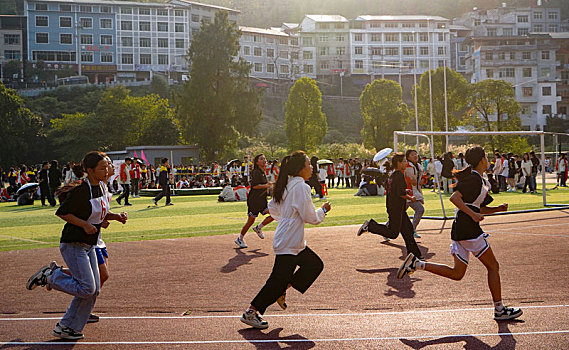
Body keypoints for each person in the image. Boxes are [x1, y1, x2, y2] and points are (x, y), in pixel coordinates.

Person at [397, 146, 523, 321]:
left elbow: (478, 208)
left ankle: (417, 264)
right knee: (493, 266)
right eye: (486, 158)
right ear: (482, 161)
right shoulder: (474, 179)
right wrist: (473, 215)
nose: (488, 161)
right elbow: (455, 198)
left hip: (462, 228)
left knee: (457, 274)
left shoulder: (480, 181)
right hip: (468, 229)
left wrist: (497, 209)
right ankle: (500, 309)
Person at [26, 151, 128, 339]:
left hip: (89, 245)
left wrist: (116, 217)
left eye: (107, 167)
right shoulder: (83, 189)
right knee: (87, 288)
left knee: (94, 289)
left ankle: (67, 327)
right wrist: (84, 224)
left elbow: (100, 212)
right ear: (89, 170)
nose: (107, 171)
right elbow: (63, 212)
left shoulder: (103, 188)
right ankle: (51, 276)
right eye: (102, 168)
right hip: (73, 244)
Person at [240, 151, 331, 329]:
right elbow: (311, 217)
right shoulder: (301, 187)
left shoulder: (287, 184)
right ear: (300, 168)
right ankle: (251, 312)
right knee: (276, 280)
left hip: (291, 240)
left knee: (314, 265)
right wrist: (323, 210)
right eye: (309, 164)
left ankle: (282, 290)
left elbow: (273, 209)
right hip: (289, 241)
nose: (311, 167)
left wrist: (288, 218)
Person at [357, 153, 423, 260]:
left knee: (408, 231)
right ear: (399, 163)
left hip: (396, 207)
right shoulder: (399, 175)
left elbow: (395, 190)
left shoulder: (393, 175)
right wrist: (411, 198)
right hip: (396, 208)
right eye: (405, 161)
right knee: (393, 233)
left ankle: (415, 255)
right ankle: (370, 226)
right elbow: (400, 193)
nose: (406, 163)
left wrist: (405, 191)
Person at [235, 154, 275, 248]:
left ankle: (258, 227)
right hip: (254, 200)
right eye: (261, 159)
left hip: (262, 199)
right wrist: (267, 185)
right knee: (250, 221)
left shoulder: (262, 171)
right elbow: (255, 186)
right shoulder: (256, 172)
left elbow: (264, 186)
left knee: (274, 213)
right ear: (257, 162)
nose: (264, 160)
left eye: (264, 158)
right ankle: (240, 239)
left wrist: (269, 187)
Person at [404, 150, 424, 239]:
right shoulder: (406, 165)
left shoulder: (419, 166)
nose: (415, 156)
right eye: (412, 155)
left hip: (415, 191)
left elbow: (422, 176)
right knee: (420, 209)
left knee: (399, 214)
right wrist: (409, 181)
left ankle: (412, 230)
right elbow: (401, 176)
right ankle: (412, 230)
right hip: (408, 192)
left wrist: (424, 180)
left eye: (416, 154)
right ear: (408, 157)